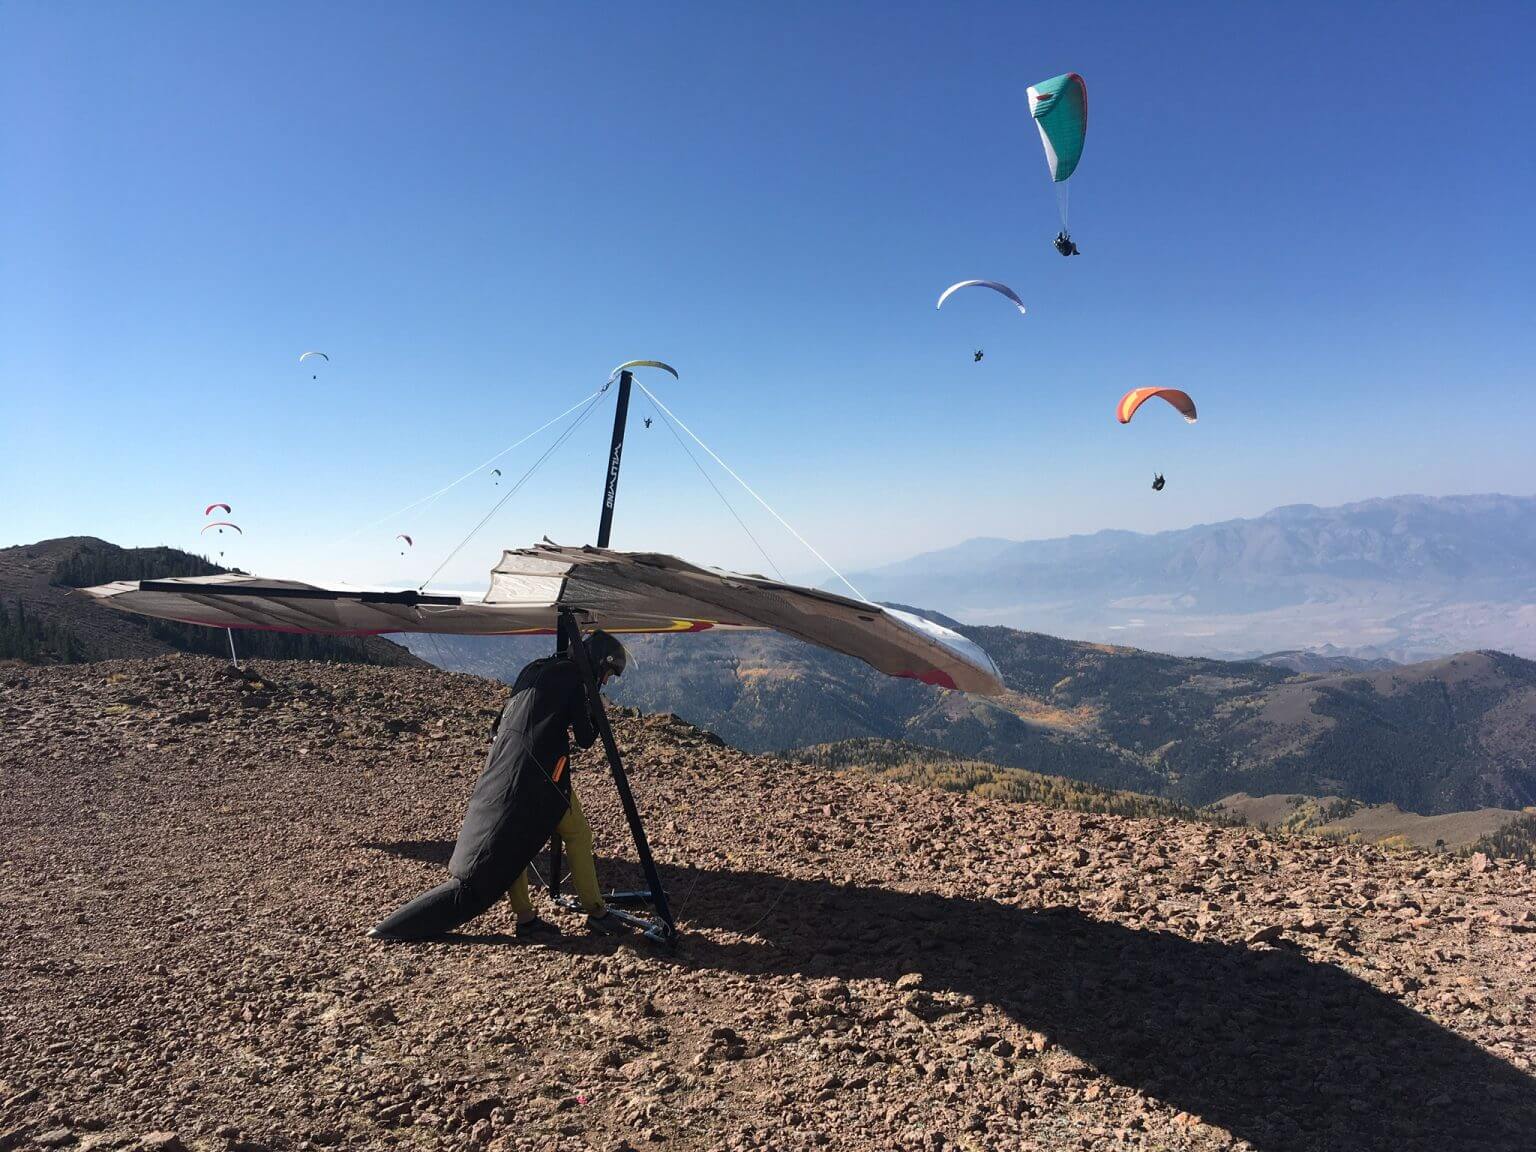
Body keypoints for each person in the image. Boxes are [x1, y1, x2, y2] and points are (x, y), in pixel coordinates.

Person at [368, 631, 631, 941]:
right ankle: (596, 912)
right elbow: (586, 739)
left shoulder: (535, 668)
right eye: (607, 674)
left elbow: (498, 724)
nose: (604, 681)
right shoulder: (574, 678)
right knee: (577, 833)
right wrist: (597, 710)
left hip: (505, 770)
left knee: (511, 842)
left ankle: (526, 918)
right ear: (599, 664)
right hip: (542, 779)